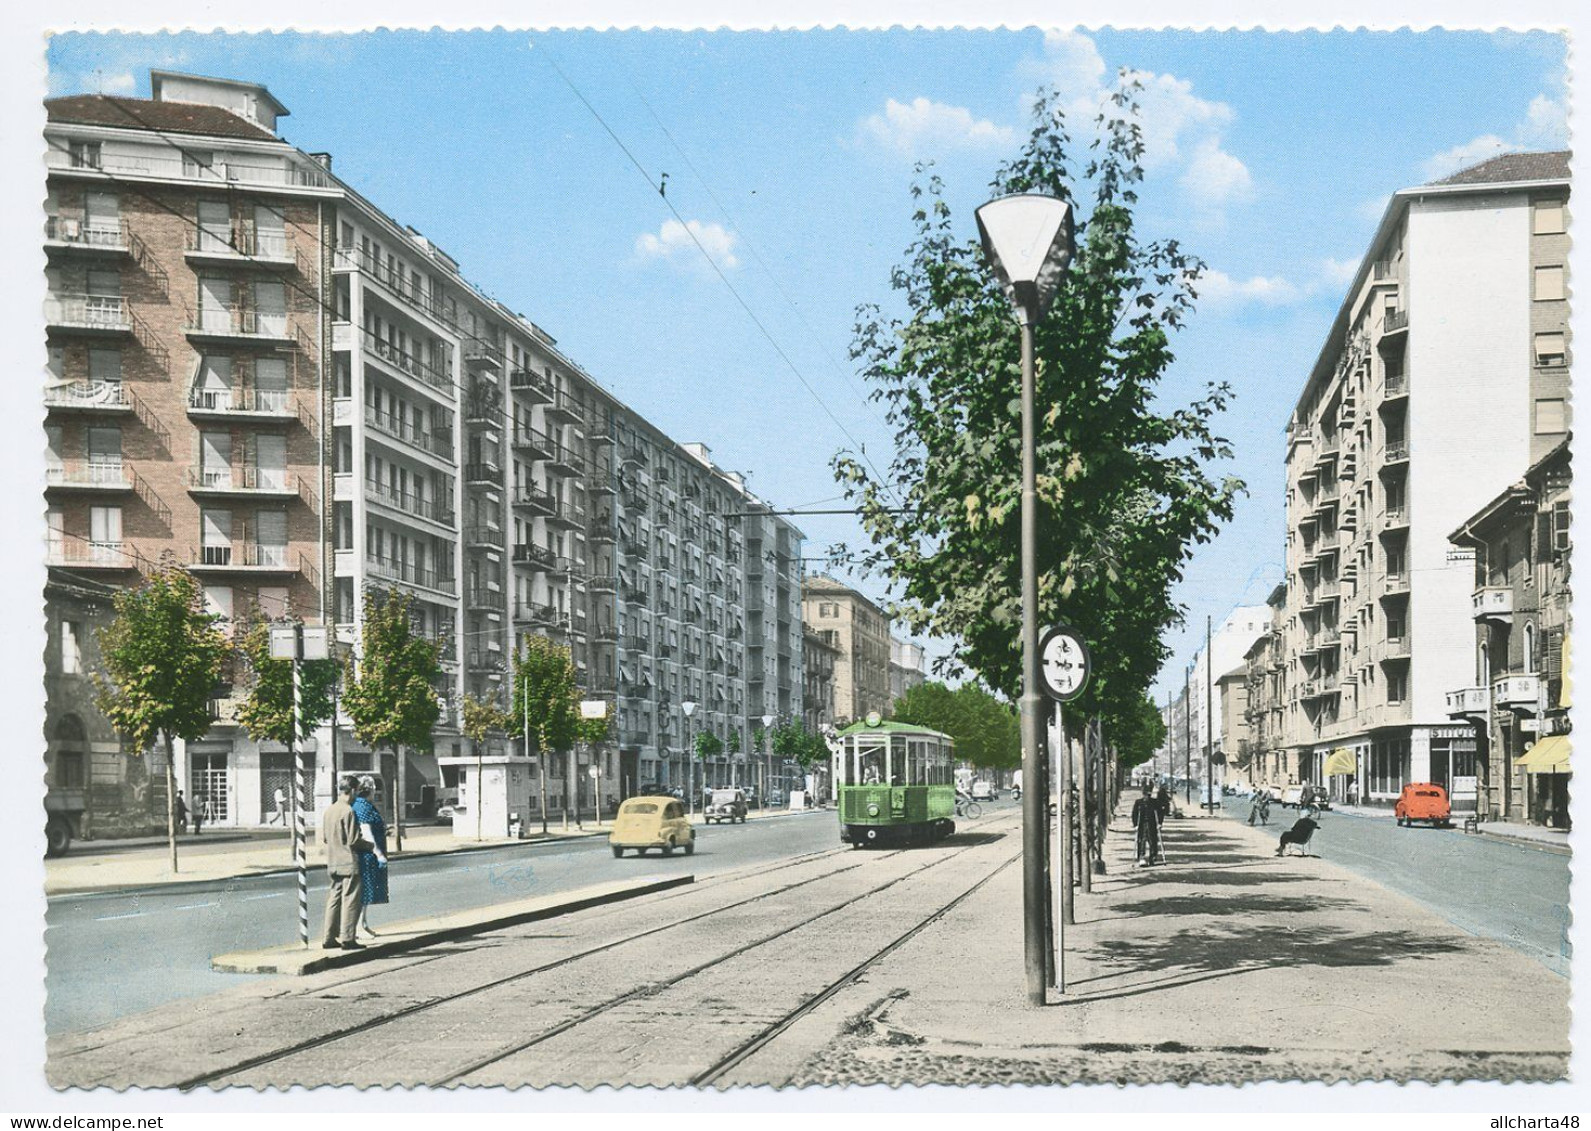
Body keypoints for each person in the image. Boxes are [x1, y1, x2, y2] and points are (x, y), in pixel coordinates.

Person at [321, 775, 365, 950]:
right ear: (353, 790)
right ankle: (348, 938)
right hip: (349, 862)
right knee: (351, 900)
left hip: (333, 861)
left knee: (334, 899)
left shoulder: (329, 811)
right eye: (357, 791)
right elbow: (354, 840)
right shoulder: (348, 811)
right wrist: (370, 846)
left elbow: (325, 838)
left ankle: (328, 937)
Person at [351, 776, 388, 940]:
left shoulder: (364, 805)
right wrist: (379, 854)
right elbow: (367, 833)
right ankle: (359, 926)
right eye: (374, 789)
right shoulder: (362, 806)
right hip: (367, 854)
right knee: (364, 891)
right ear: (370, 789)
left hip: (369, 853)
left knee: (367, 890)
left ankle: (363, 924)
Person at [1131, 784, 1163, 865]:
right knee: (1142, 840)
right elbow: (1134, 814)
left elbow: (1160, 813)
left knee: (1152, 840)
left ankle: (1152, 857)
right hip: (1142, 824)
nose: (1147, 797)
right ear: (1143, 794)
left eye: (1148, 795)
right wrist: (1135, 825)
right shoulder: (1139, 802)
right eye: (1145, 795)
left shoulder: (1154, 802)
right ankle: (1141, 857)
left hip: (1152, 824)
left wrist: (1159, 823)